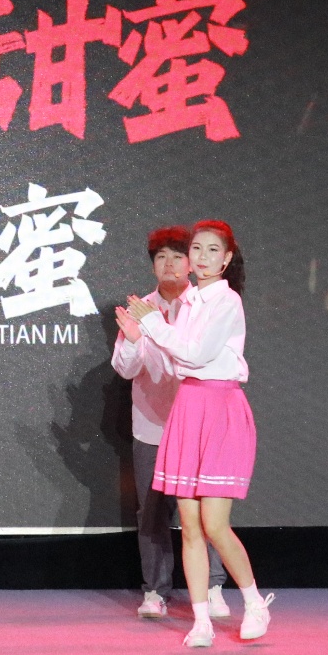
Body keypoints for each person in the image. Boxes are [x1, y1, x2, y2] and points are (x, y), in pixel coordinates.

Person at [118, 219, 272, 648]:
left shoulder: (227, 301)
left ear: (226, 259)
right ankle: (201, 622)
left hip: (219, 407)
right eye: (197, 250)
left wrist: (153, 325)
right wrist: (140, 334)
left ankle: (254, 602)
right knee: (188, 525)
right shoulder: (187, 303)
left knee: (214, 524)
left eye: (211, 251)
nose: (202, 258)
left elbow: (197, 354)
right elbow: (178, 361)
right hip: (187, 406)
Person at [110, 226, 228, 621]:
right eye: (161, 257)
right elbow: (125, 369)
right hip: (152, 426)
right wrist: (131, 339)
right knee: (152, 512)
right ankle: (155, 591)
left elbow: (202, 358)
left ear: (191, 263)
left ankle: (212, 586)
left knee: (206, 509)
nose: (170, 264)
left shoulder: (205, 305)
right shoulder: (140, 308)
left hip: (198, 425)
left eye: (178, 256)